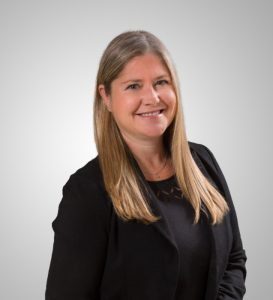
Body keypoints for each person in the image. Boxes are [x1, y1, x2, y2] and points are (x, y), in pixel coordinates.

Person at [45, 30, 247, 300]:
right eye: (133, 86)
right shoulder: (86, 192)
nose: (152, 98)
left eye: (161, 82)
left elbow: (234, 259)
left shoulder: (204, 162)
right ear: (106, 97)